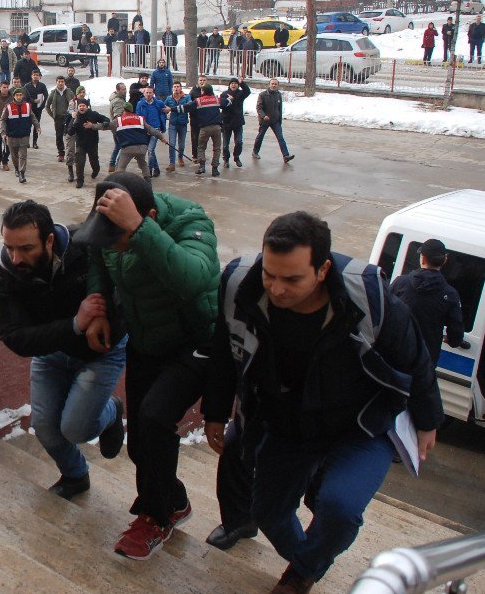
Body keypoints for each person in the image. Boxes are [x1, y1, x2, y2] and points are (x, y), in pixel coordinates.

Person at [203, 210, 443, 594]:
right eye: (270, 274)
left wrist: (428, 420)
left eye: (292, 279)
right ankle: (307, 563)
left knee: (339, 507)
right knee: (267, 511)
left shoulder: (367, 296)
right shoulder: (239, 284)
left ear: (322, 270)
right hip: (288, 424)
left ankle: (299, 576)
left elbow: (415, 358)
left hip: (361, 424)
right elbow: (224, 347)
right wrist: (215, 411)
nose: (277, 289)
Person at [73, 171, 220, 560]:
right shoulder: (111, 234)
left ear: (150, 216)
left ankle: (157, 517)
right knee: (140, 443)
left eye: (120, 237)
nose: (115, 248)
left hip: (193, 342)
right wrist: (100, 306)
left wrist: (139, 229)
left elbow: (192, 277)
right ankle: (174, 499)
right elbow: (97, 258)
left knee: (156, 420)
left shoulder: (190, 222)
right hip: (146, 339)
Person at [0, 200, 128, 500]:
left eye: (26, 248)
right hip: (51, 353)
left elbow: (124, 289)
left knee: (76, 429)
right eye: (9, 247)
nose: (15, 258)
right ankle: (75, 476)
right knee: (46, 428)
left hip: (99, 354)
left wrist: (104, 317)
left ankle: (112, 411)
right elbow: (15, 337)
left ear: (49, 239)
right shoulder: (3, 275)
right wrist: (76, 324)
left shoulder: (86, 246)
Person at [390, 239, 464, 368]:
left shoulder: (400, 283)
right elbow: (456, 335)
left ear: (422, 259)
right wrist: (449, 340)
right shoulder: (450, 295)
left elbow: (381, 311)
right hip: (424, 362)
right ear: (445, 260)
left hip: (395, 355)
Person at [170, 83, 231, 177]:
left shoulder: (199, 101)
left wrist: (171, 109)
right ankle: (215, 169)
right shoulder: (216, 99)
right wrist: (230, 98)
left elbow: (185, 108)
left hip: (204, 128)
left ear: (203, 91)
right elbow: (228, 102)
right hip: (216, 127)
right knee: (217, 148)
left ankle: (202, 166)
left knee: (201, 147)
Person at [108, 102, 168, 179]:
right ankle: (148, 182)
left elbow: (106, 126)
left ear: (123, 110)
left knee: (121, 167)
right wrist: (162, 138)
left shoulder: (119, 120)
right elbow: (151, 130)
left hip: (128, 148)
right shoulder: (139, 119)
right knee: (143, 164)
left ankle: (119, 183)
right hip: (142, 147)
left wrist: (92, 126)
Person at [0, 87, 41, 184]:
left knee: (23, 155)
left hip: (24, 135)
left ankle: (22, 173)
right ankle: (16, 168)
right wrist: (3, 132)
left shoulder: (27, 106)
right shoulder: (8, 107)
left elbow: (32, 117)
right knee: (14, 156)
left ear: (23, 96)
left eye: (20, 95)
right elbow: (3, 120)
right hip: (11, 136)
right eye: (17, 95)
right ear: (14, 96)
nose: (19, 97)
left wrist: (37, 126)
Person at [66, 98, 108, 188]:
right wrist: (73, 120)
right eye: (80, 106)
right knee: (79, 163)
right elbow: (69, 132)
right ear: (78, 107)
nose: (81, 107)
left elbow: (105, 119)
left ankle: (96, 170)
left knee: (94, 161)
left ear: (87, 107)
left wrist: (104, 123)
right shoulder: (75, 117)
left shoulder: (93, 114)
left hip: (92, 143)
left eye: (83, 106)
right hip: (81, 144)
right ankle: (80, 181)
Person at [253, 78, 294, 164]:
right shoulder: (262, 95)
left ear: (277, 85)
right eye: (272, 84)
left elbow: (279, 108)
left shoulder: (278, 94)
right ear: (269, 84)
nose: (274, 85)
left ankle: (286, 156)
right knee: (260, 136)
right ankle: (255, 152)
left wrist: (279, 120)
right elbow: (259, 108)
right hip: (265, 121)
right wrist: (263, 116)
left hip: (275, 121)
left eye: (275, 84)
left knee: (280, 138)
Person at [135, 86, 168, 178]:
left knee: (150, 150)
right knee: (151, 151)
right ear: (144, 93)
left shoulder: (159, 103)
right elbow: (138, 117)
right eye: (147, 93)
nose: (148, 94)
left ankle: (149, 170)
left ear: (153, 93)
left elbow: (164, 112)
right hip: (145, 130)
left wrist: (162, 125)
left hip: (155, 129)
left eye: (150, 93)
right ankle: (156, 168)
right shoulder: (140, 104)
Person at [220, 77, 251, 169]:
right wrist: (228, 100)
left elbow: (247, 91)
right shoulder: (224, 94)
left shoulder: (240, 93)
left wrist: (242, 83)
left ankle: (236, 157)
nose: (234, 85)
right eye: (232, 83)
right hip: (226, 122)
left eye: (235, 83)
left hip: (238, 122)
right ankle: (226, 159)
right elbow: (221, 106)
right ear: (229, 85)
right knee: (225, 145)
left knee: (239, 142)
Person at [46, 75, 75, 163]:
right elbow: (47, 106)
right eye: (59, 81)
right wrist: (53, 115)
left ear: (64, 82)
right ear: (56, 82)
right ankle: (61, 153)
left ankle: (71, 154)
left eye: (62, 82)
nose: (61, 83)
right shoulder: (53, 92)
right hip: (58, 118)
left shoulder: (69, 92)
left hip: (68, 118)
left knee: (70, 135)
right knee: (59, 136)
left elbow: (75, 103)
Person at [64, 86, 89, 183]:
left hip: (82, 130)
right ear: (77, 93)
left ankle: (79, 169)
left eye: (83, 92)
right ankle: (70, 170)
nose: (82, 94)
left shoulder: (87, 102)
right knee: (70, 150)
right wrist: (74, 113)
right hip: (72, 128)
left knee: (81, 151)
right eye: (80, 92)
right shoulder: (73, 102)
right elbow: (70, 111)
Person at [163, 82, 190, 171]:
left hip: (183, 124)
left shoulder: (186, 97)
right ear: (172, 88)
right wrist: (166, 111)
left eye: (178, 87)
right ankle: (172, 163)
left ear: (181, 88)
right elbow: (164, 107)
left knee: (181, 144)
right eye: (174, 87)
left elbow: (188, 106)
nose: (176, 88)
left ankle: (180, 157)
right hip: (173, 124)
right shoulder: (169, 98)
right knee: (172, 144)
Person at [24, 69, 48, 150]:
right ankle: (27, 142)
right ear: (31, 76)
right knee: (27, 126)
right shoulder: (27, 86)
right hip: (29, 109)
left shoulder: (42, 85)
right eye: (34, 75)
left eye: (37, 75)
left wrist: (43, 105)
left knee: (36, 125)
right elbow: (25, 97)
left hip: (38, 109)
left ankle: (35, 142)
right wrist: (33, 100)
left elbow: (46, 95)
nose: (35, 76)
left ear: (39, 77)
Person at [108, 81, 127, 172]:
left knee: (118, 146)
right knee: (123, 147)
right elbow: (118, 117)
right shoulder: (118, 101)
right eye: (123, 89)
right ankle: (117, 166)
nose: (125, 91)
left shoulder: (119, 98)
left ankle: (112, 164)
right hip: (119, 128)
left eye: (125, 88)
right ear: (117, 90)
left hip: (116, 128)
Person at [188, 75, 207, 162]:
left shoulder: (208, 90)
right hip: (195, 117)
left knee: (203, 137)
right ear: (198, 81)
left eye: (204, 80)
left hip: (204, 118)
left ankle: (201, 154)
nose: (202, 82)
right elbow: (189, 104)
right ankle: (195, 155)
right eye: (200, 80)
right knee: (195, 137)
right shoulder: (193, 91)